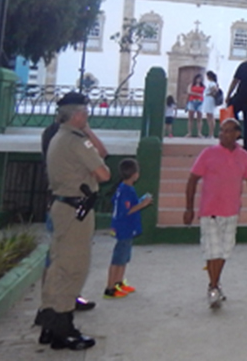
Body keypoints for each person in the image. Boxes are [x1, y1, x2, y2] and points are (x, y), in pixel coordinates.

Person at [36, 92, 110, 350]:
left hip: (61, 206)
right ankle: (63, 327)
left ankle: (48, 320)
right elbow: (103, 173)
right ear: (78, 115)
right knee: (73, 267)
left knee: (57, 265)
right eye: (86, 113)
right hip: (75, 210)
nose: (87, 117)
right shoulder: (77, 141)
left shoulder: (57, 136)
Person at [182, 119, 247, 308]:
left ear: (237, 134)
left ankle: (215, 283)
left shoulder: (243, 156)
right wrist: (189, 208)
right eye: (221, 130)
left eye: (228, 131)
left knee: (224, 251)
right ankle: (213, 286)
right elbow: (192, 180)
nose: (223, 134)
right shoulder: (208, 154)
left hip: (231, 211)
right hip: (210, 210)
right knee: (212, 250)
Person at [105, 159, 152, 298]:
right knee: (118, 259)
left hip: (127, 228)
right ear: (135, 174)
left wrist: (140, 201)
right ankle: (110, 288)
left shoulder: (124, 188)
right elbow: (126, 211)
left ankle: (118, 283)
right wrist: (143, 204)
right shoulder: (126, 190)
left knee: (124, 257)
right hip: (124, 228)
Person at [201, 70, 220, 138]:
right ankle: (210, 133)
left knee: (210, 116)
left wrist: (210, 94)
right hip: (209, 100)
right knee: (209, 116)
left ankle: (211, 133)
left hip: (209, 100)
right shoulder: (213, 83)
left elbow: (215, 90)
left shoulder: (212, 83)